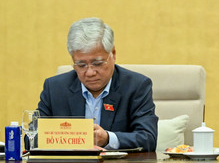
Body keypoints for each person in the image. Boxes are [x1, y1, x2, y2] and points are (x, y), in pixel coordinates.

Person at [37, 18, 158, 151]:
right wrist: (69, 138)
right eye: (81, 65)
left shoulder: (136, 86)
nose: (89, 72)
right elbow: (32, 137)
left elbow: (148, 139)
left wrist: (107, 139)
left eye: (97, 63)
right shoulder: (55, 88)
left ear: (113, 54)